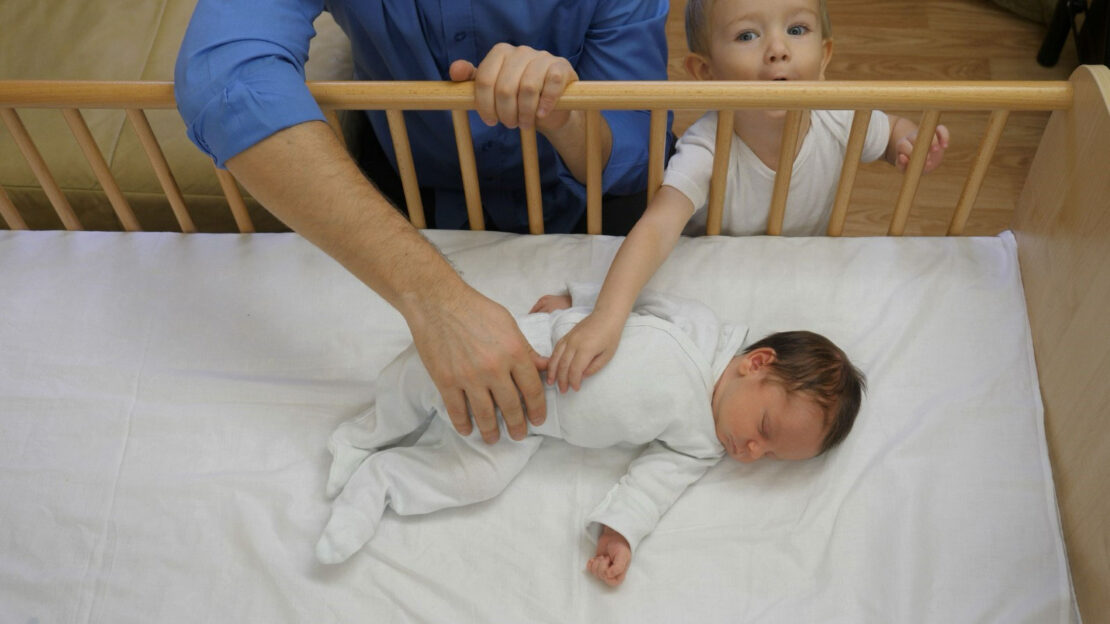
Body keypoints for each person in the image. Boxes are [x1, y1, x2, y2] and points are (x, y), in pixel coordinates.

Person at [173, 1, 670, 445]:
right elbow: (226, 78)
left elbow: (632, 146)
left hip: (578, 192)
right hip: (402, 177)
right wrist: (436, 301)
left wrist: (563, 114)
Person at [315, 283, 865, 587]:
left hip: (530, 425)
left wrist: (620, 533)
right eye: (763, 430)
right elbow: (628, 297)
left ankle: (381, 482)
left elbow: (654, 485)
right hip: (526, 351)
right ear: (757, 363)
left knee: (478, 478)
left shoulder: (701, 443)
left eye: (768, 456)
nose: (750, 452)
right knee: (420, 378)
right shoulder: (695, 329)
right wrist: (572, 301)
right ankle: (362, 436)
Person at [541, 0, 951, 393]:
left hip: (796, 273)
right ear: (705, 71)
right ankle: (585, 300)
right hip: (714, 281)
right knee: (662, 323)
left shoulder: (840, 116)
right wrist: (608, 318)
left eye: (796, 29)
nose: (777, 50)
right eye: (747, 35)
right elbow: (657, 228)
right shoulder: (707, 147)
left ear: (825, 57)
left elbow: (887, 131)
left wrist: (907, 141)